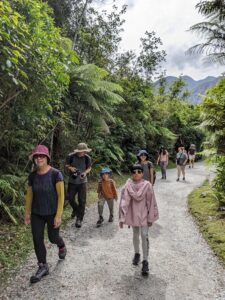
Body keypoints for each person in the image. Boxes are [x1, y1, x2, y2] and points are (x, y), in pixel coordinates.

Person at [24, 145, 66, 284]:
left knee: (53, 237)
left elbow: (61, 196)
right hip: (37, 213)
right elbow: (29, 196)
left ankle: (61, 245)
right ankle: (43, 266)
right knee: (37, 239)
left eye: (42, 156)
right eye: (36, 156)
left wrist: (58, 215)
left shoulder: (56, 174)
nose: (39, 158)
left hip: (52, 212)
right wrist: (27, 213)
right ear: (34, 159)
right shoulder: (32, 176)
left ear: (47, 158)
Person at [119, 164, 159, 276]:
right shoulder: (127, 186)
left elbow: (151, 202)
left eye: (139, 171)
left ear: (142, 173)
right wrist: (122, 217)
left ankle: (145, 261)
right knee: (135, 235)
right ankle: (137, 254)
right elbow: (123, 202)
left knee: (144, 235)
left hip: (144, 215)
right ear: (131, 174)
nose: (136, 173)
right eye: (134, 171)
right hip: (133, 215)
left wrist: (151, 217)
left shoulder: (147, 185)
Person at [65, 143, 92, 228]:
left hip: (82, 182)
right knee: (70, 198)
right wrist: (71, 168)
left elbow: (89, 168)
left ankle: (79, 219)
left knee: (82, 201)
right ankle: (76, 209)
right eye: (80, 151)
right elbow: (66, 165)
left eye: (83, 151)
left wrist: (85, 173)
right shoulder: (71, 156)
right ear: (77, 151)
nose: (82, 153)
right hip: (72, 181)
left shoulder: (87, 158)